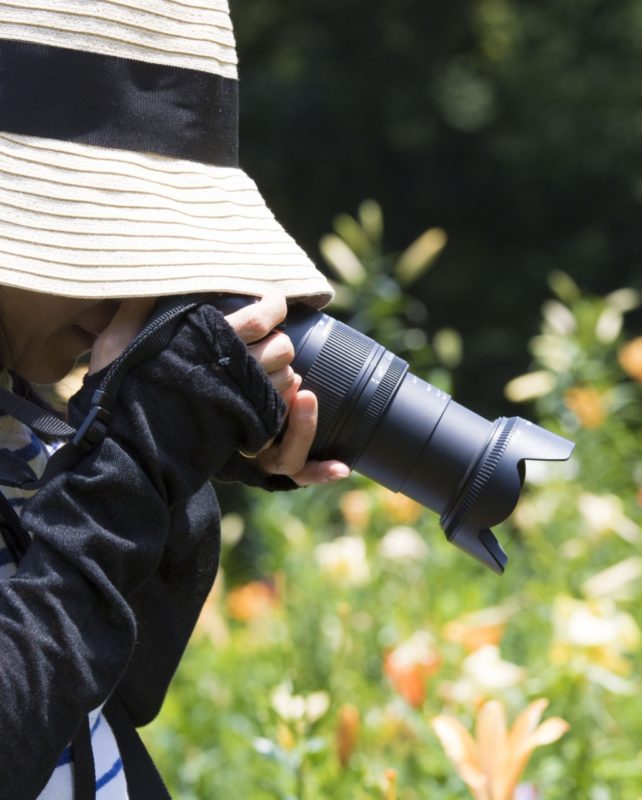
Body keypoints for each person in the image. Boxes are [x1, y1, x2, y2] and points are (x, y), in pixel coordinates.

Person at [0, 1, 350, 797]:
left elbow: (109, 697)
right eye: (98, 232)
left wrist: (168, 458)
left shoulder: (19, 427)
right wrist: (130, 458)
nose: (136, 285)